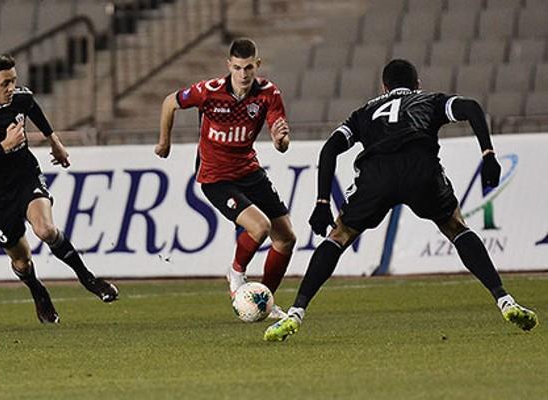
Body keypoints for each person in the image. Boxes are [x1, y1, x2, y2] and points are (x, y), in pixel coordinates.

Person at [264, 59, 538, 341]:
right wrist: (488, 154)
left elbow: (330, 148)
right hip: (420, 170)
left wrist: (322, 201)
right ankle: (505, 300)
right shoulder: (428, 100)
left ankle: (295, 313)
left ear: (383, 87)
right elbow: (471, 108)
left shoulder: (364, 112)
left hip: (376, 176)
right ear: (417, 84)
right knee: (456, 227)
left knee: (339, 235)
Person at [0, 54, 119, 324]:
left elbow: (32, 107)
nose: (11, 88)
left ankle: (88, 279)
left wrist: (54, 141)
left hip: (25, 177)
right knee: (21, 261)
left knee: (45, 230)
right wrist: (4, 146)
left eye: (14, 81)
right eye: (5, 83)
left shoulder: (20, 97)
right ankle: (38, 291)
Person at [155, 38, 296, 318]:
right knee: (260, 227)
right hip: (216, 177)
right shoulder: (208, 92)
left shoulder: (268, 94)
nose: (243, 74)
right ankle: (236, 272)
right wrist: (164, 142)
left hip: (249, 171)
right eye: (238, 68)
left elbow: (281, 142)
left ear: (257, 65)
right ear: (229, 65)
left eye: (249, 68)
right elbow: (170, 102)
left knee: (286, 239)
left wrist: (281, 141)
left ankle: (263, 302)